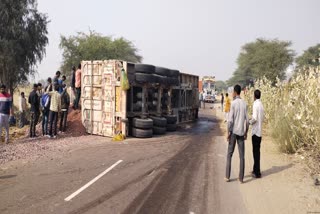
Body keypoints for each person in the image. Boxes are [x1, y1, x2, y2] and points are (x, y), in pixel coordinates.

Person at [225, 84, 249, 183]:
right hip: (241, 133)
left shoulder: (233, 103)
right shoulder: (244, 104)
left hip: (234, 132)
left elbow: (230, 121)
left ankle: (227, 176)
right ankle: (241, 178)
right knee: (242, 156)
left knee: (229, 154)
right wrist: (246, 132)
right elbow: (247, 121)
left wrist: (228, 133)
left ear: (235, 92)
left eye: (232, 92)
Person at [249, 89, 264, 178]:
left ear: (254, 96)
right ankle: (255, 169)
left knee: (255, 152)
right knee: (257, 151)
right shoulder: (261, 105)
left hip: (255, 132)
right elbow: (262, 117)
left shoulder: (255, 104)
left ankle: (257, 172)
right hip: (260, 131)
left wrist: (249, 122)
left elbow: (254, 118)